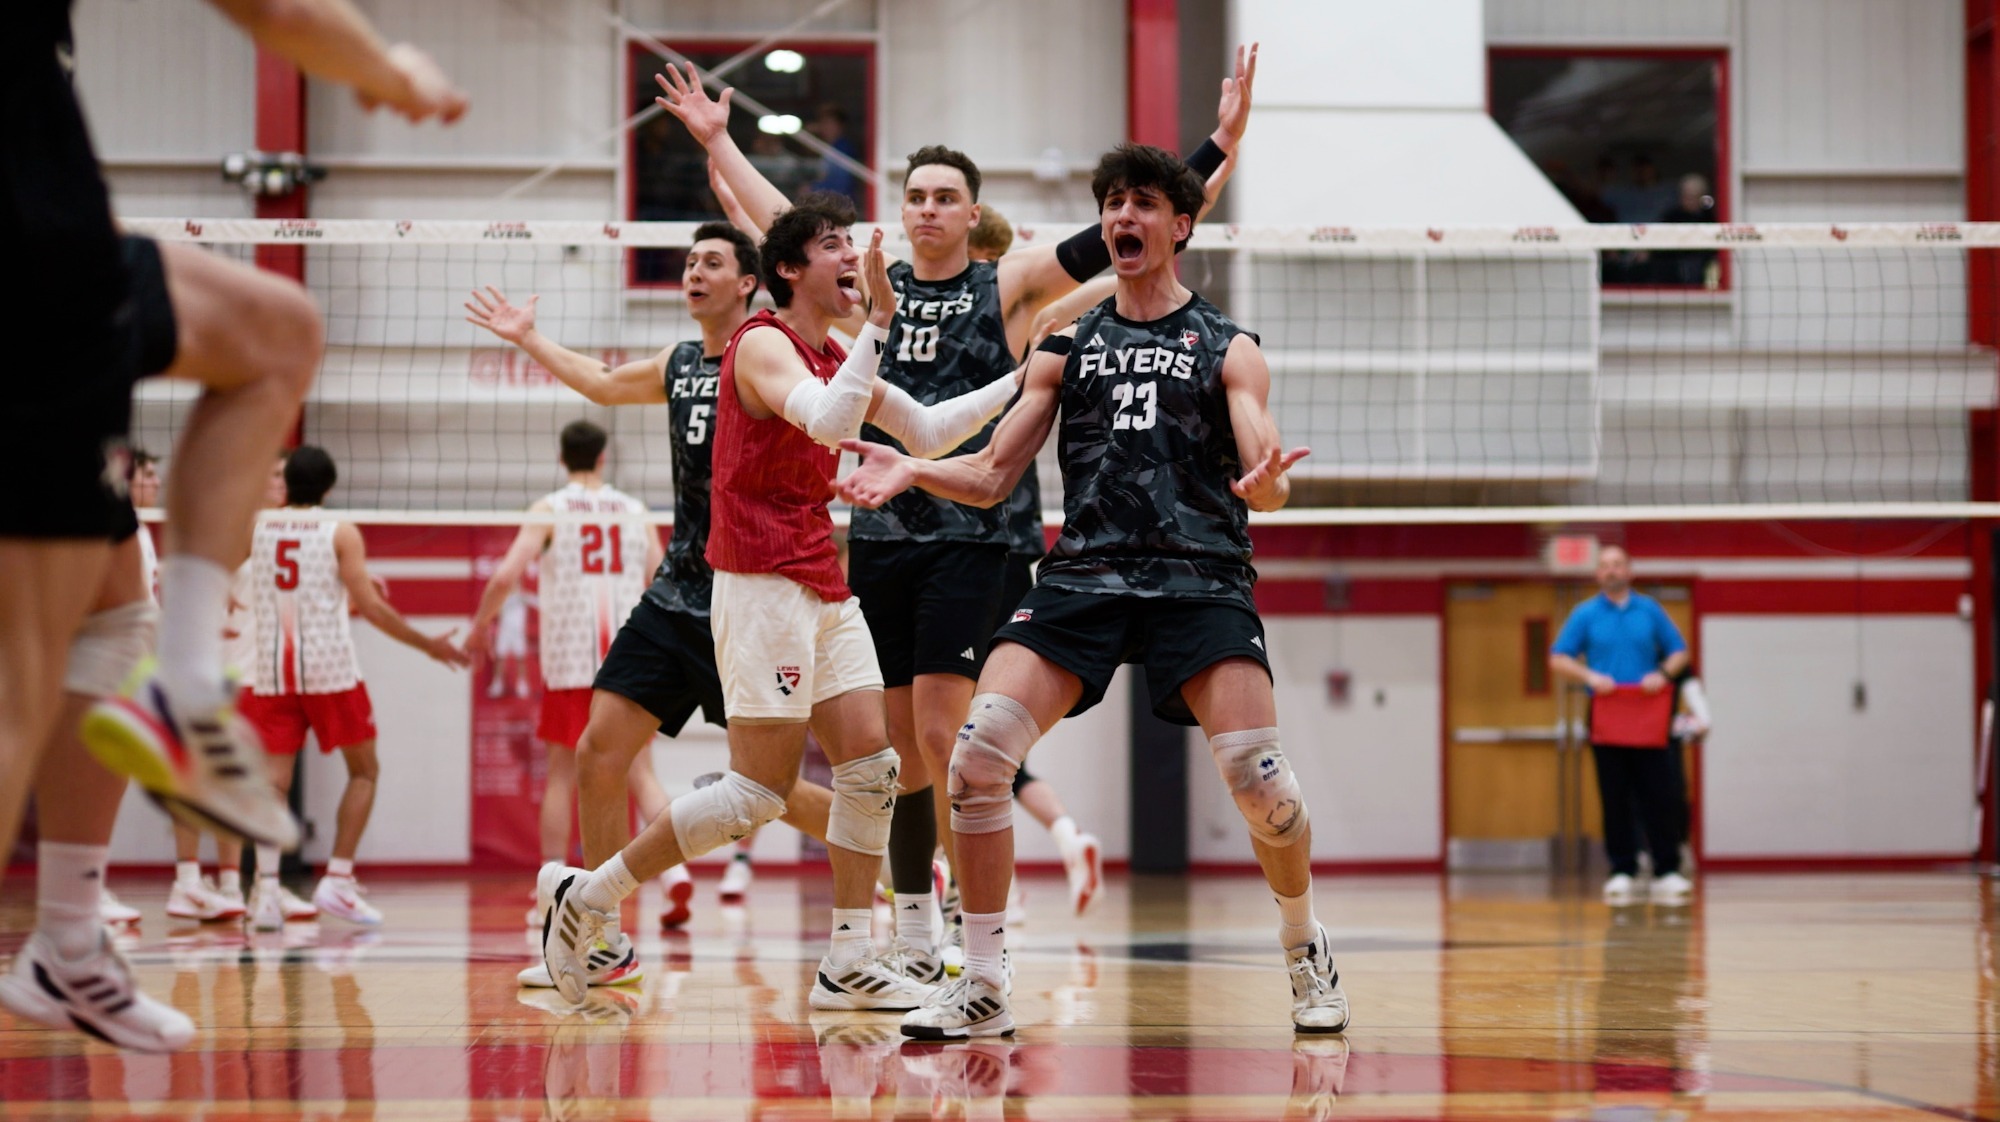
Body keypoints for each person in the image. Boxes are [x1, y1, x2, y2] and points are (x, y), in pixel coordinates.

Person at [653, 44, 1257, 982]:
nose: (928, 207)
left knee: (944, 732)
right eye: (916, 194)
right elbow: (779, 225)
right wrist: (719, 139)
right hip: (883, 533)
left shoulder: (1007, 281)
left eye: (945, 196)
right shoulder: (863, 286)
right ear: (900, 210)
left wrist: (1217, 145)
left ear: (971, 214)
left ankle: (981, 923)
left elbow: (1137, 231)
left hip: (981, 532)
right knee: (892, 753)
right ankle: (919, 921)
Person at [0, 0, 463, 1054]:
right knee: (16, 696)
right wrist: (384, 67)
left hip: (62, 236)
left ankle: (72, 935)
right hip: (33, 276)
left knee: (272, 334)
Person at [836, 142, 1345, 1040]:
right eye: (1113, 203)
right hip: (1084, 574)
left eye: (1143, 204)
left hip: (1200, 574)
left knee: (1260, 783)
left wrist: (1268, 483)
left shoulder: (1229, 347)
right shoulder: (1064, 344)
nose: (1123, 218)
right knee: (978, 753)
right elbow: (994, 474)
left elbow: (1261, 450)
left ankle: (1304, 944)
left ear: (1180, 226)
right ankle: (984, 982)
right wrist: (912, 467)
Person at [535, 195, 1020, 1011]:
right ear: (791, 270)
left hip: (822, 585)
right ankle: (585, 898)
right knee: (756, 792)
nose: (852, 257)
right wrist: (879, 327)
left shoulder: (835, 350)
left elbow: (931, 431)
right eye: (834, 245)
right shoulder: (764, 344)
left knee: (873, 770)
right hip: (760, 585)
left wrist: (1036, 368)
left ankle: (845, 960)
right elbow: (830, 422)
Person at [465, 221, 755, 973]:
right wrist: (528, 337)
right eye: (690, 262)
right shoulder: (681, 359)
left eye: (712, 262)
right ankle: (602, 936)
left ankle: (894, 874)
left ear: (748, 282)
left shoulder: (771, 353)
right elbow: (598, 381)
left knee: (772, 785)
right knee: (598, 752)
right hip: (676, 589)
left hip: (751, 594)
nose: (694, 271)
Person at [239, 446, 469, 930]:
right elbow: (374, 608)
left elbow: (227, 569)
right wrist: (429, 645)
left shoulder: (256, 526)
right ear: (327, 486)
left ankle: (264, 892)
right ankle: (338, 880)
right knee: (364, 771)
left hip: (271, 671)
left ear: (287, 484)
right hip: (329, 669)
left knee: (271, 785)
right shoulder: (340, 531)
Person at [467, 421, 669, 911]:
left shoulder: (550, 509)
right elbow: (661, 581)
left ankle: (551, 892)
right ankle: (673, 878)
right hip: (628, 661)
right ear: (603, 458)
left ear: (563, 459)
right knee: (640, 772)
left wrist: (479, 627)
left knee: (561, 774)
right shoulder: (635, 510)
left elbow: (505, 576)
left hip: (571, 663)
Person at [165, 456, 292, 924]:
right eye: (275, 474)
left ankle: (231, 883)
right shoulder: (240, 522)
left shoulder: (279, 528)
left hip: (256, 673)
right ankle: (187, 880)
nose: (282, 483)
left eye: (284, 475)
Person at [1548, 544, 1693, 905]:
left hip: (1647, 712)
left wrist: (1661, 674)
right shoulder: (1585, 614)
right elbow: (1558, 658)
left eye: (1617, 564)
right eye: (1605, 566)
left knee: (1659, 794)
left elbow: (1680, 652)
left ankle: (1666, 869)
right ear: (1598, 574)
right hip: (1606, 712)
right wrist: (1590, 676)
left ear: (1629, 570)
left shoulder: (1650, 610)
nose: (1611, 571)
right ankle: (1622, 870)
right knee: (1614, 796)